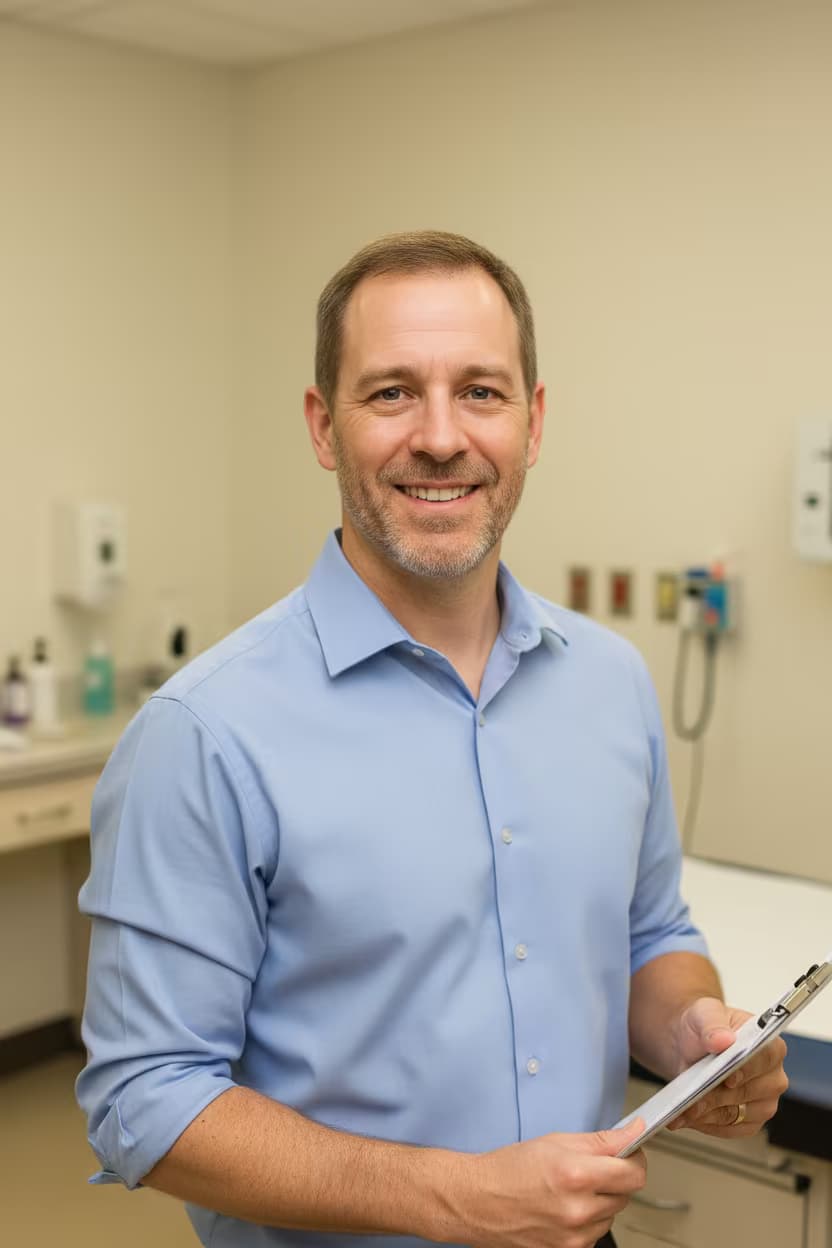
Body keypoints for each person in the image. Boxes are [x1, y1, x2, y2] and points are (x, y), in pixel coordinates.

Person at [77, 231, 788, 1248]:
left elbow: (650, 936)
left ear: (533, 422)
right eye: (392, 393)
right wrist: (456, 1198)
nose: (442, 436)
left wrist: (692, 1034)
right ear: (324, 426)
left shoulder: (609, 681)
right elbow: (144, 1098)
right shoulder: (204, 734)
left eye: (482, 393)